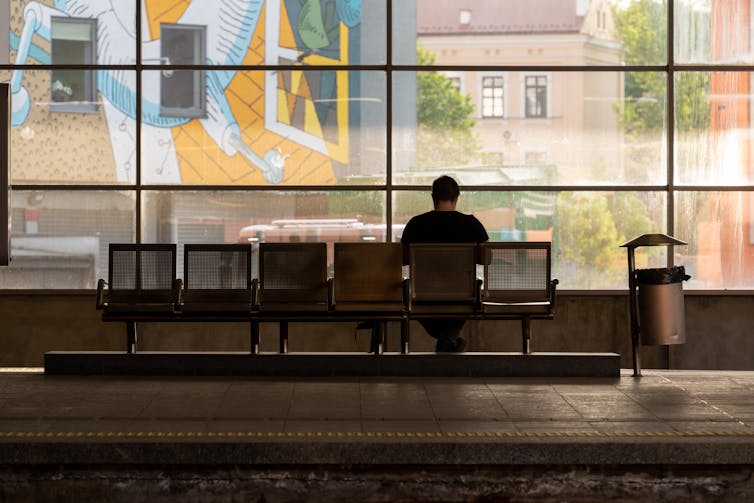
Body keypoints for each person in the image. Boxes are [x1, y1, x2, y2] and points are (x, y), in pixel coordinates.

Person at [401, 175, 489, 352]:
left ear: (433, 198)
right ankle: (448, 339)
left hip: (422, 295)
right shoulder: (471, 224)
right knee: (465, 297)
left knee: (420, 303)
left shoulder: (416, 224)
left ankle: (447, 338)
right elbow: (487, 259)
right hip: (462, 295)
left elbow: (403, 260)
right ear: (456, 198)